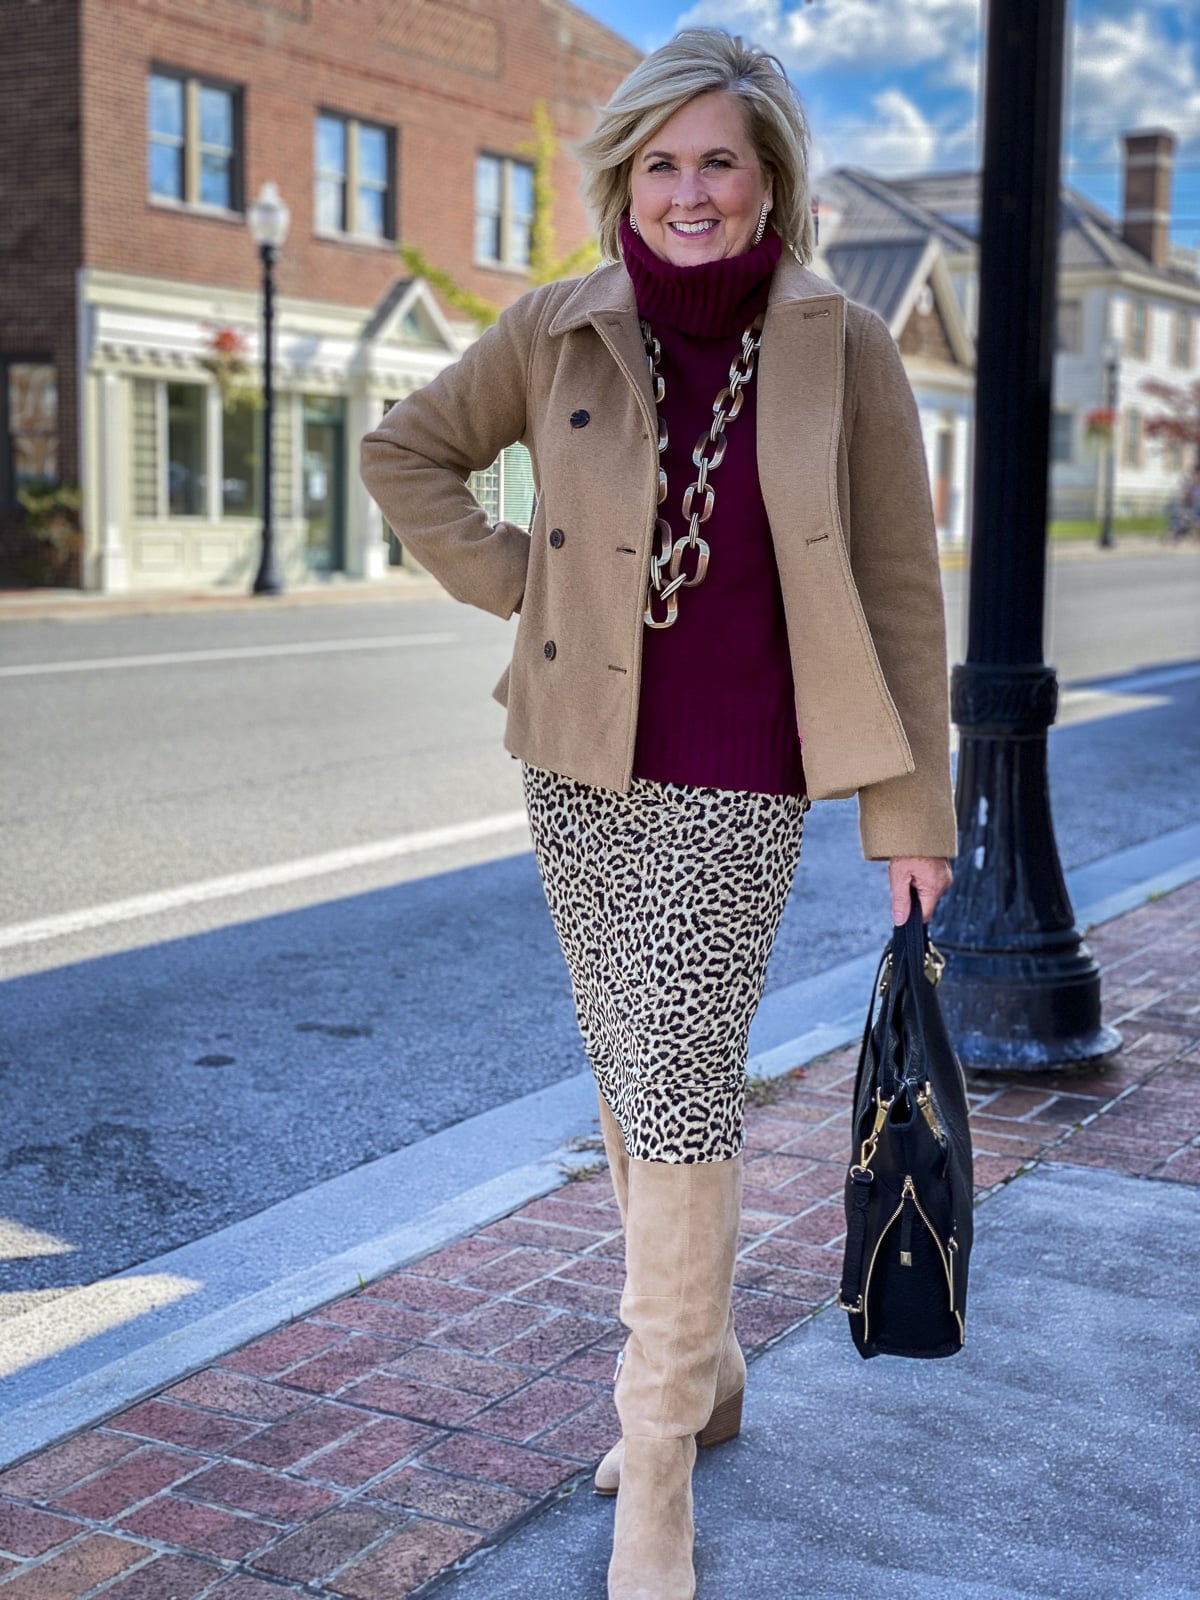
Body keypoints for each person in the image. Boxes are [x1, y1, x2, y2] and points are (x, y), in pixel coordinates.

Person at [361, 28, 955, 1598]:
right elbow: (406, 451)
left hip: (738, 782)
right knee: (637, 1078)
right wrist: (523, 587)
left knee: (679, 1093)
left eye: (719, 162)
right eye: (661, 163)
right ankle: (715, 1379)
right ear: (628, 175)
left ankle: (656, 1475)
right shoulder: (560, 327)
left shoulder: (847, 348)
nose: (689, 192)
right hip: (576, 773)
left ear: (770, 182)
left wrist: (913, 819)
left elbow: (900, 594)